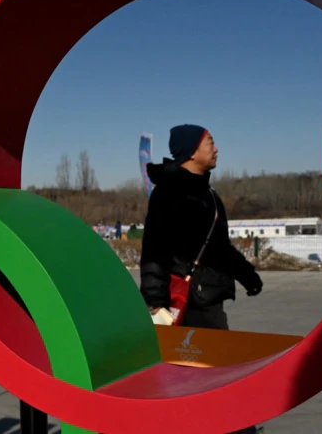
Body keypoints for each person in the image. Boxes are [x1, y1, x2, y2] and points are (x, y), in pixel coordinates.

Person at [140, 124, 263, 433]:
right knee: (200, 376)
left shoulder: (208, 192)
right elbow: (155, 248)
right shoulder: (169, 192)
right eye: (210, 142)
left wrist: (247, 275)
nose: (216, 148)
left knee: (210, 376)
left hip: (208, 295)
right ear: (192, 150)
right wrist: (155, 302)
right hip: (188, 300)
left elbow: (218, 248)